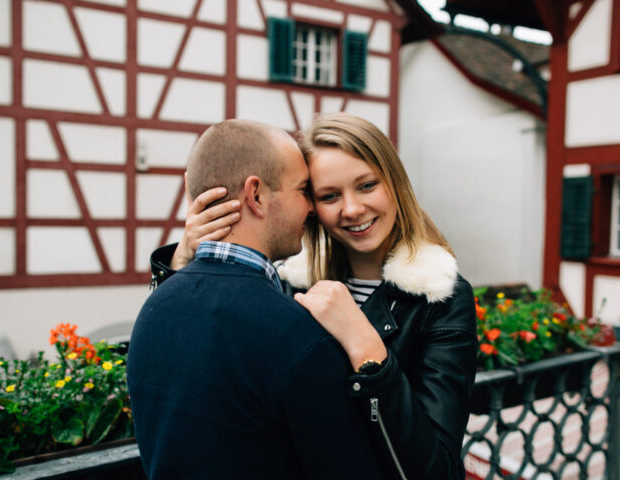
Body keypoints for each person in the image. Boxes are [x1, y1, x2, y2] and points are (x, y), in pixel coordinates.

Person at [151, 113, 478, 479]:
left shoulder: (439, 297)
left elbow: (440, 472)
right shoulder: (290, 281)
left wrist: (370, 354)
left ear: (396, 184)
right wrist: (182, 262)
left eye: (367, 185)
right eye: (329, 195)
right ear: (310, 205)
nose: (352, 209)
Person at [127, 119, 388, 480]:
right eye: (302, 190)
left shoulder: (153, 308)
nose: (311, 209)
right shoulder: (296, 333)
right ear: (257, 195)